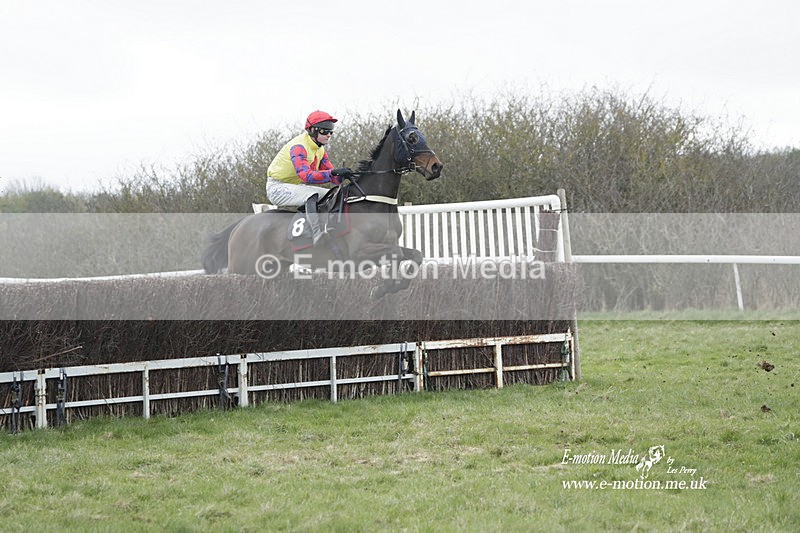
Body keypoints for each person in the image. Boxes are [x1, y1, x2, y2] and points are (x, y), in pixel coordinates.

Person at [266, 110, 353, 244]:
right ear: (313, 130)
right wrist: (333, 173)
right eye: (325, 131)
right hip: (276, 188)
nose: (329, 135)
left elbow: (332, 175)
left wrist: (343, 176)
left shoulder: (320, 149)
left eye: (331, 132)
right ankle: (316, 233)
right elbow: (306, 176)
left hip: (293, 186)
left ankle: (331, 228)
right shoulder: (299, 147)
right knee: (312, 194)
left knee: (333, 194)